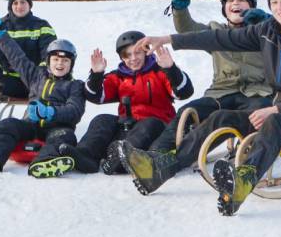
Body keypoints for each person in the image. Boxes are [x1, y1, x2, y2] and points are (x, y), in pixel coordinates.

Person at [122, 0, 281, 216]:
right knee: (221, 117)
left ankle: (243, 179)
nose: (280, 8)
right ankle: (160, 169)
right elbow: (219, 38)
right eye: (274, 2)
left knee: (274, 120)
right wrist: (168, 39)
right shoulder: (267, 31)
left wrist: (276, 109)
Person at [148, 0, 273, 153]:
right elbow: (187, 29)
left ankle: (248, 155)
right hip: (222, 92)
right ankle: (156, 153)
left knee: (257, 114)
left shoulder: (264, 31)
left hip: (257, 92)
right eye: (230, 1)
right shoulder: (216, 32)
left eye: (242, 0)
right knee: (189, 111)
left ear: (251, 6)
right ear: (224, 9)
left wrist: (267, 23)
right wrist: (180, 7)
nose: (235, 3)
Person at [0, 4, 86, 178]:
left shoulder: (76, 85)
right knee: (7, 124)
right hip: (31, 125)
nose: (60, 64)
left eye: (65, 61)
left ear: (71, 64)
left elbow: (75, 111)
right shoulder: (36, 75)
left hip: (57, 128)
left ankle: (45, 162)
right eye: (56, 59)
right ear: (48, 61)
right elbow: (16, 56)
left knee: (65, 137)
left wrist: (51, 113)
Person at [68, 30, 193, 174]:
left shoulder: (159, 72)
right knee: (101, 119)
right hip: (128, 126)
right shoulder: (119, 76)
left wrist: (171, 69)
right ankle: (86, 155)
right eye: (127, 55)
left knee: (149, 123)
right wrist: (96, 75)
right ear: (121, 57)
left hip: (157, 128)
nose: (133, 58)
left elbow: (183, 92)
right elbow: (96, 96)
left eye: (137, 52)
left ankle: (123, 160)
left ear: (146, 52)